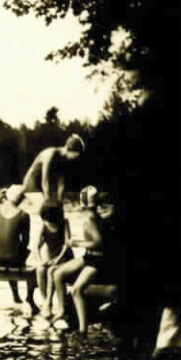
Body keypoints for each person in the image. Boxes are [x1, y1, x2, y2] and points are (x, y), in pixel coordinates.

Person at [52, 188, 120, 333]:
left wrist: (76, 243)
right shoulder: (92, 215)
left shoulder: (90, 218)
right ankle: (61, 310)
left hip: (97, 258)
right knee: (58, 273)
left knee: (77, 290)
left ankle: (83, 329)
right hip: (88, 256)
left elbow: (98, 242)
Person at [0, 185, 32, 304]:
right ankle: (29, 296)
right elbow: (26, 241)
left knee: (9, 247)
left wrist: (0, 196)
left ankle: (15, 295)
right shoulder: (24, 215)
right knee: (26, 252)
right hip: (12, 259)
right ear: (21, 199)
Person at [21, 134, 86, 207]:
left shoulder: (63, 160)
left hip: (41, 188)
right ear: (69, 149)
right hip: (31, 186)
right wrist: (48, 202)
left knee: (55, 208)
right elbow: (44, 181)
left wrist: (59, 202)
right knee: (47, 210)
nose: (75, 159)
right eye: (75, 156)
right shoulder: (50, 153)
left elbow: (61, 184)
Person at [37, 203, 74, 319]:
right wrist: (41, 260)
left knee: (51, 271)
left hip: (64, 257)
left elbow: (66, 244)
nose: (48, 222)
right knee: (40, 270)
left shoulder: (64, 223)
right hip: (50, 257)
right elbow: (37, 246)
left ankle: (49, 302)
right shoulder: (44, 226)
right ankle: (44, 301)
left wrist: (58, 259)